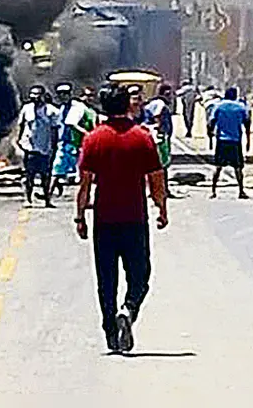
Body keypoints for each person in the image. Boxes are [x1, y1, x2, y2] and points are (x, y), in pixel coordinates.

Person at [75, 82, 168, 354]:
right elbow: (156, 178)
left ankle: (111, 336)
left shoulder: (93, 139)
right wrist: (161, 208)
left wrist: (80, 217)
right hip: (135, 219)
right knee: (140, 276)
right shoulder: (142, 137)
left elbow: (84, 185)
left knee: (106, 280)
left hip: (103, 221)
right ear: (127, 105)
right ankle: (128, 309)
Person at [17, 85, 59, 208]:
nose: (33, 97)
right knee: (29, 175)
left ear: (42, 96)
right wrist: (20, 141)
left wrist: (53, 146)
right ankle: (28, 199)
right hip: (30, 148)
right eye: (32, 94)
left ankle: (47, 200)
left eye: (36, 94)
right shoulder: (26, 108)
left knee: (45, 176)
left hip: (45, 148)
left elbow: (54, 130)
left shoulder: (51, 110)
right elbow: (21, 125)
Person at [51, 84, 96, 197]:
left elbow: (72, 123)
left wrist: (88, 134)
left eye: (66, 93)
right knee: (57, 170)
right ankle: (48, 194)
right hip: (66, 142)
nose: (63, 96)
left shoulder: (78, 106)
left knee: (82, 173)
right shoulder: (62, 108)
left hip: (75, 143)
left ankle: (85, 197)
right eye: (60, 94)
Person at [209, 87, 251, 200]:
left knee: (218, 167)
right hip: (235, 141)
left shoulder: (218, 106)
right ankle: (241, 191)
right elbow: (247, 123)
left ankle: (213, 190)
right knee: (238, 168)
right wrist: (248, 140)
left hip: (221, 140)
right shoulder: (241, 107)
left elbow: (211, 121)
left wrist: (210, 137)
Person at [144, 84, 175, 196]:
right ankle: (162, 190)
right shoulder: (160, 104)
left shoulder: (152, 103)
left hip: (157, 136)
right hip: (160, 137)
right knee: (163, 164)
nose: (170, 96)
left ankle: (158, 189)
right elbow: (157, 116)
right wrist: (158, 128)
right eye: (168, 94)